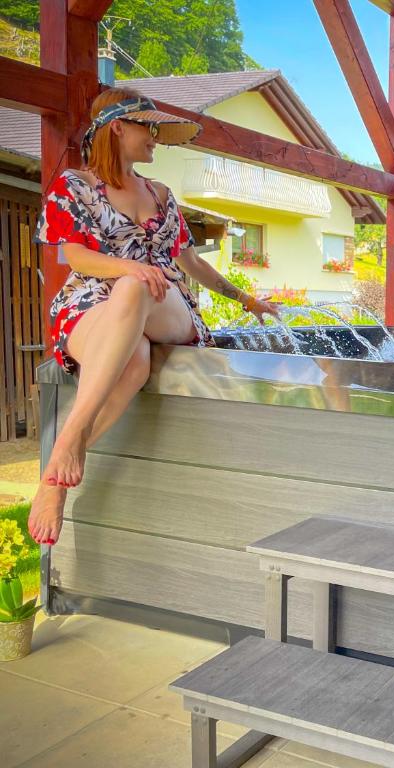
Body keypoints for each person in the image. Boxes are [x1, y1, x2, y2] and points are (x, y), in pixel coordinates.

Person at [27, 87, 280, 547]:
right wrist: (130, 267)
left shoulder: (161, 194)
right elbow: (76, 257)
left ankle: (67, 443)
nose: (157, 138)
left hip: (165, 306)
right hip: (91, 302)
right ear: (118, 127)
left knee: (138, 287)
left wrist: (246, 299)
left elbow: (191, 263)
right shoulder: (74, 186)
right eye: (150, 127)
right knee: (136, 360)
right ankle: (57, 480)